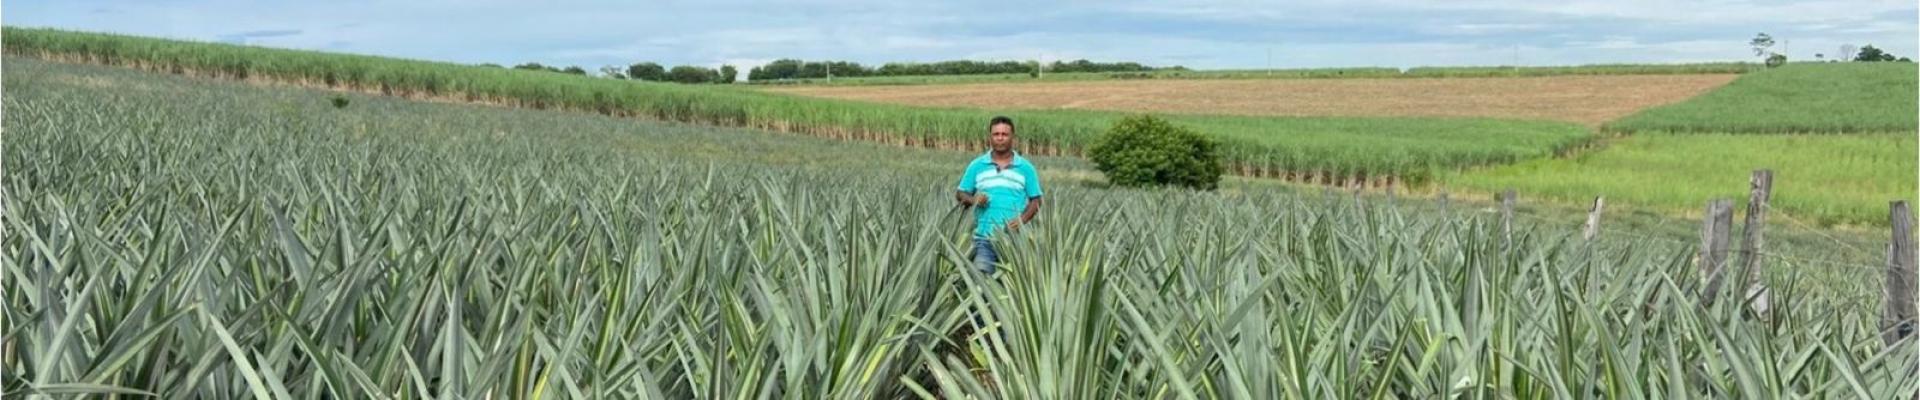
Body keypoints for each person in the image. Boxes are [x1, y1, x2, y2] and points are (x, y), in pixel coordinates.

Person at [954, 116, 1043, 275]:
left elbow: (1036, 200)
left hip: (1013, 241)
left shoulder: (1026, 168)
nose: (1000, 138)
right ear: (990, 137)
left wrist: (1022, 220)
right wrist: (974, 200)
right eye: (996, 134)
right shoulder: (977, 165)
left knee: (1012, 289)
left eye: (1004, 134)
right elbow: (960, 193)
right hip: (983, 239)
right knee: (982, 283)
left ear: (1012, 138)